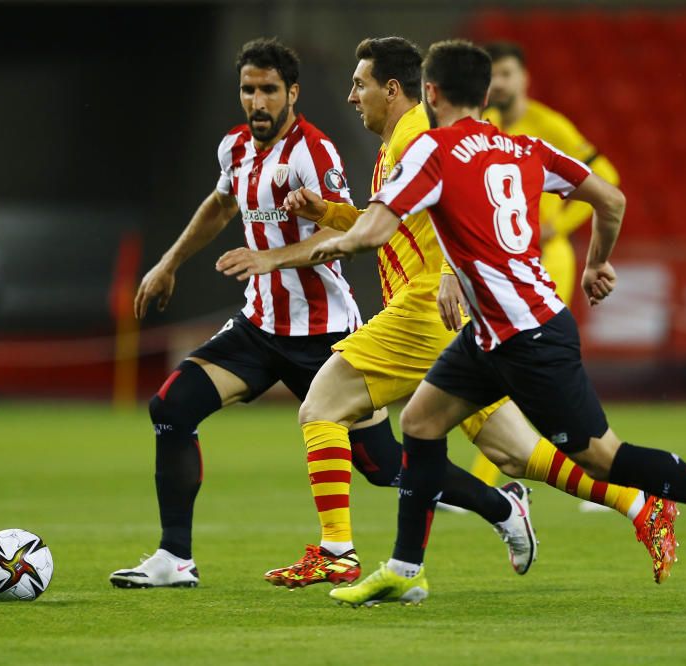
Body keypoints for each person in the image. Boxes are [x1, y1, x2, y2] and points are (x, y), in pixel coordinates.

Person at [313, 40, 686, 606]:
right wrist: (597, 262)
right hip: (491, 333)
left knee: (605, 457)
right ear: (487, 95)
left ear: (432, 93)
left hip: (528, 337)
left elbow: (373, 232)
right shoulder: (526, 148)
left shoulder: (433, 152)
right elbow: (610, 200)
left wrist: (314, 250)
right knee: (420, 423)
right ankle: (404, 569)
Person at [224, 37, 677, 585]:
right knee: (516, 453)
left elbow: (457, 206)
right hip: (443, 319)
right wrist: (329, 214)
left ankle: (338, 551)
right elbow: (390, 222)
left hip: (421, 309)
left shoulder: (418, 134)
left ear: (392, 89)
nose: (351, 97)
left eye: (359, 85)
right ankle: (636, 504)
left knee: (321, 407)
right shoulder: (399, 141)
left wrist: (445, 276)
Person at [109, 38, 512, 590]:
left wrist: (268, 258)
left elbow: (344, 227)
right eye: (248, 90)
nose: (257, 101)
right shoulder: (235, 148)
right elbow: (222, 202)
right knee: (172, 407)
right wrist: (169, 262)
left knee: (384, 466)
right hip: (259, 327)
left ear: (291, 93)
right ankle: (175, 557)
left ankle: (500, 506)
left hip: (323, 330)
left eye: (269, 90)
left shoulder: (313, 152)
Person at [458, 41, 622, 486]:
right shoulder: (481, 126)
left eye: (508, 73)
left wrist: (561, 225)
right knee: (507, 359)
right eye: (493, 76)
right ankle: (604, 462)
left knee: (522, 358)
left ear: (525, 78)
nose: (500, 83)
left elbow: (606, 177)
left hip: (545, 257)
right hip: (498, 259)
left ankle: (487, 475)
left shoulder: (549, 126)